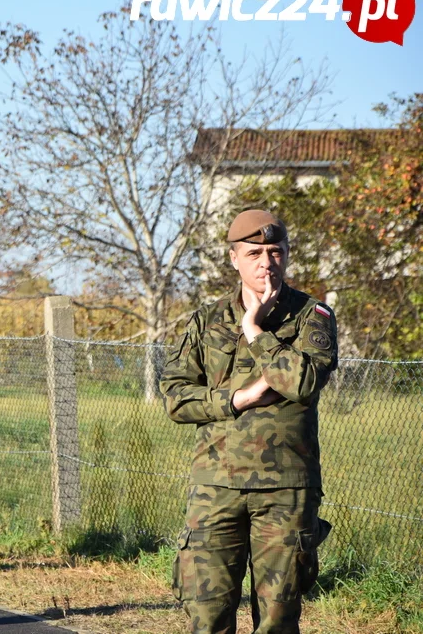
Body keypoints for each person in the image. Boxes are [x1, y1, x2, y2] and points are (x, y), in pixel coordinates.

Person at [160, 209, 338, 634]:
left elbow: (305, 381)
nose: (266, 262)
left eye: (275, 252)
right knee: (207, 614)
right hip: (215, 487)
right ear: (233, 258)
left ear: (287, 256)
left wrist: (255, 330)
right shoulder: (205, 321)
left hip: (286, 490)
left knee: (277, 620)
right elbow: (176, 399)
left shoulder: (312, 316)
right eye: (254, 252)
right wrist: (238, 398)